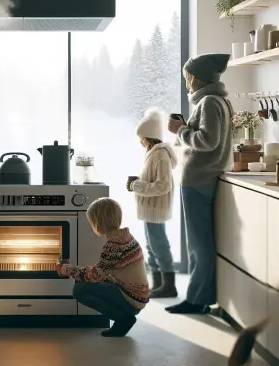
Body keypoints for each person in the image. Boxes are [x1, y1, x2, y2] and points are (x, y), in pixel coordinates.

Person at [166, 53, 232, 315]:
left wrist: (179, 130)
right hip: (207, 178)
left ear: (196, 77)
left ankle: (196, 301)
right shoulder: (221, 102)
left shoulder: (208, 103)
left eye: (187, 77)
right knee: (201, 243)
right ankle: (200, 297)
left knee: (198, 244)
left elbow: (207, 141)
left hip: (197, 179)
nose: (186, 83)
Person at [56, 198, 150, 337]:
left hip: (132, 299)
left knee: (80, 289)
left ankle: (123, 319)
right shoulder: (126, 237)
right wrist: (77, 272)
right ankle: (123, 318)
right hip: (138, 295)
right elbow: (102, 271)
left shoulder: (114, 245)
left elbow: (95, 275)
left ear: (98, 222)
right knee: (83, 279)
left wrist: (66, 270)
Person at [128, 108, 178, 298]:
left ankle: (168, 286)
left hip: (155, 208)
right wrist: (137, 183)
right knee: (152, 245)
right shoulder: (153, 153)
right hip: (150, 208)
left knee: (159, 245)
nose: (140, 141)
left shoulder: (160, 155)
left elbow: (163, 185)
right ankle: (158, 284)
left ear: (149, 136)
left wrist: (137, 186)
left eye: (141, 137)